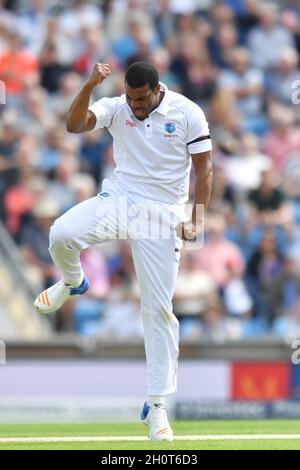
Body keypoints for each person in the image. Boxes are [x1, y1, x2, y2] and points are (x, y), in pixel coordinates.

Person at [33, 61, 212, 441]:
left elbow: (205, 169)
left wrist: (196, 218)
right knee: (61, 233)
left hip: (163, 216)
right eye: (130, 98)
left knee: (158, 309)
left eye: (141, 99)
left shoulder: (187, 112)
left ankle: (157, 405)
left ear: (157, 89)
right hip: (121, 199)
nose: (136, 105)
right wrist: (89, 85)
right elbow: (74, 125)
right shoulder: (117, 107)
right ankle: (73, 281)